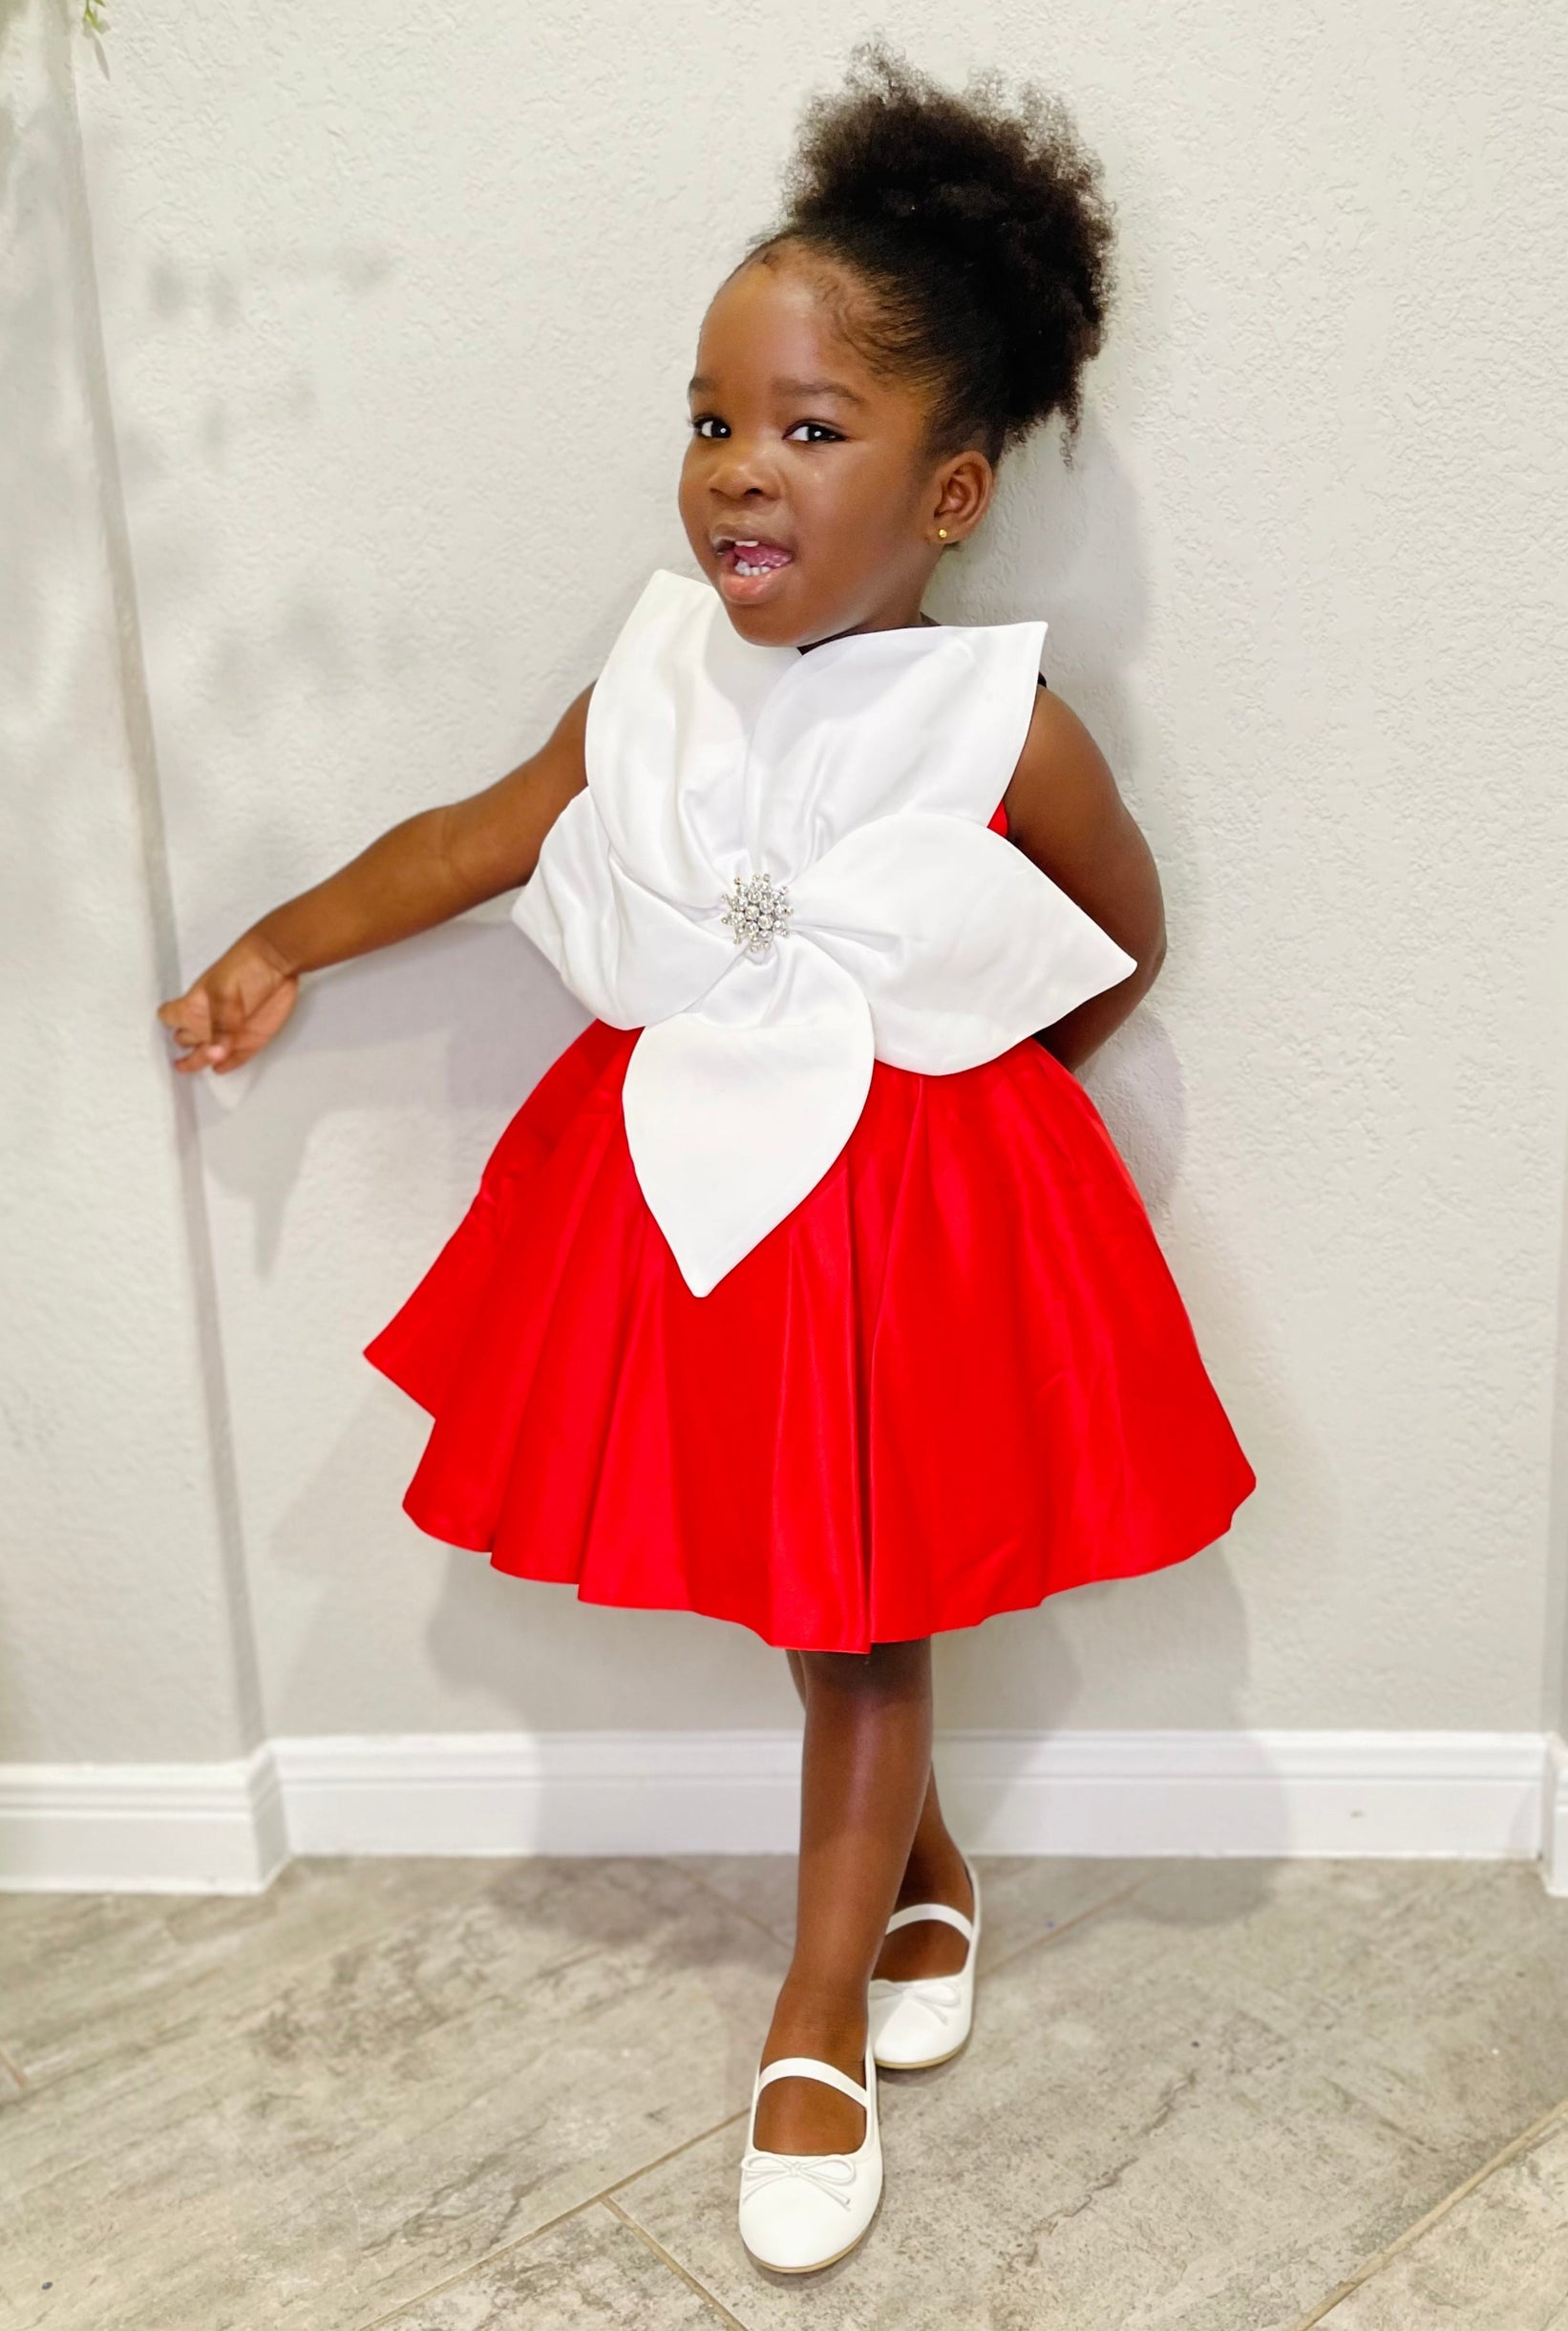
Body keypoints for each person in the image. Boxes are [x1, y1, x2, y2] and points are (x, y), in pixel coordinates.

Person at [158, 41, 1257, 2278]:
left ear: (949, 493)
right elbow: (487, 836)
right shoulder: (658, 662)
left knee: (860, 1618)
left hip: (897, 1209)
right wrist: (285, 934)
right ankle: (925, 1873)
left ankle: (813, 2007)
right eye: (708, 419)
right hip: (677, 1190)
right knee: (814, 1587)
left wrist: (975, 1096)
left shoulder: (999, 719)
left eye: (807, 429)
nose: (738, 473)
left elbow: (1119, 931)